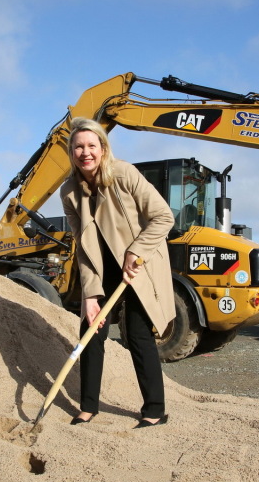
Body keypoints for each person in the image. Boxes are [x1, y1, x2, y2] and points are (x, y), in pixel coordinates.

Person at [60, 117, 176, 429]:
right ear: (71, 152)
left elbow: (163, 217)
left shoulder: (123, 174)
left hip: (139, 263)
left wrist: (135, 251)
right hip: (102, 268)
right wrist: (89, 293)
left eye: (91, 146)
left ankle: (154, 410)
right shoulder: (69, 192)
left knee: (137, 333)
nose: (86, 152)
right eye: (79, 147)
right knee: (91, 330)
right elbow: (83, 247)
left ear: (103, 148)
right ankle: (88, 406)